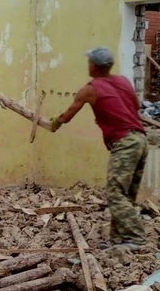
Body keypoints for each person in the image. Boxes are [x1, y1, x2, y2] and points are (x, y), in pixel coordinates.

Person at [50, 47, 148, 249]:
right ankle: (118, 239)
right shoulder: (123, 81)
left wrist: (55, 122)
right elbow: (136, 106)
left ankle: (136, 239)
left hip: (125, 143)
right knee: (125, 194)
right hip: (140, 139)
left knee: (115, 193)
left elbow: (67, 116)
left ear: (93, 66)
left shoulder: (90, 89)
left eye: (89, 63)